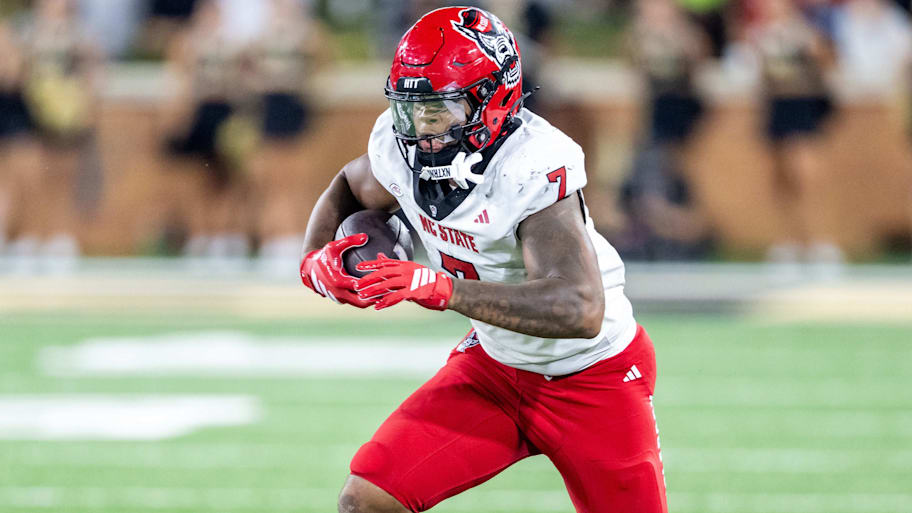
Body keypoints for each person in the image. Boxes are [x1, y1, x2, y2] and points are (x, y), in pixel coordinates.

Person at [300, 7, 667, 513]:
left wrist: (441, 288)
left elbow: (578, 308)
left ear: (492, 99)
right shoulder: (400, 147)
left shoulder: (530, 165)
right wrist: (314, 259)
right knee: (366, 501)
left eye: (439, 109)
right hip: (494, 369)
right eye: (410, 110)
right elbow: (352, 184)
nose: (422, 128)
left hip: (592, 377)